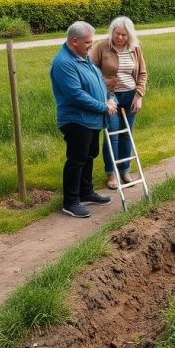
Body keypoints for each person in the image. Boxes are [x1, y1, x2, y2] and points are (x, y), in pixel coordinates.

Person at [50, 21, 117, 218]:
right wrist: (103, 106)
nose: (91, 45)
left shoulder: (84, 57)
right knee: (77, 159)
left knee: (89, 155)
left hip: (92, 119)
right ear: (74, 41)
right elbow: (75, 95)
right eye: (88, 42)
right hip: (76, 120)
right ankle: (70, 202)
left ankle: (86, 192)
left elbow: (98, 81)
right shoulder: (64, 63)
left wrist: (109, 97)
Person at [91, 16, 148, 190]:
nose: (120, 38)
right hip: (111, 96)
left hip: (130, 95)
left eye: (124, 35)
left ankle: (125, 170)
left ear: (129, 35)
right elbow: (92, 73)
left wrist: (138, 96)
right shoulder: (102, 47)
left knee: (127, 134)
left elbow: (143, 73)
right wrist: (105, 96)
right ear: (112, 32)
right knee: (112, 133)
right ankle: (111, 173)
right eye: (117, 34)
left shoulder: (135, 49)